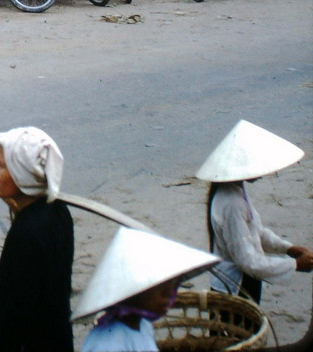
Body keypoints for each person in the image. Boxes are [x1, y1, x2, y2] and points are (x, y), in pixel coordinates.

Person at [0, 126, 73, 352]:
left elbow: (7, 314)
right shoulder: (59, 212)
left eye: (1, 166)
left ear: (21, 176)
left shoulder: (26, 234)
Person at [196, 119, 313, 303]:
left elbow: (256, 231)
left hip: (240, 281)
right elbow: (247, 261)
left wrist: (288, 248)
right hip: (236, 287)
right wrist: (294, 265)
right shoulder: (232, 203)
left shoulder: (235, 191)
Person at [76, 228, 219, 352]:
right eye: (161, 290)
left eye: (172, 288)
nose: (169, 296)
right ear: (136, 291)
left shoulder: (143, 325)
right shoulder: (109, 344)